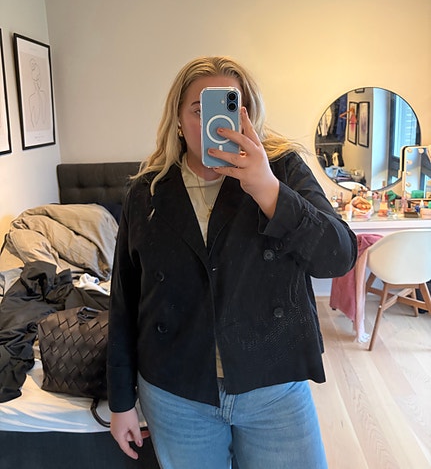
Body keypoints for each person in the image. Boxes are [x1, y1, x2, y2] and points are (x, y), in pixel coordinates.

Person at [107, 56, 357, 469]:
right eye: (199, 109)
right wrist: (120, 401)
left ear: (247, 114)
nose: (215, 123)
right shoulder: (147, 192)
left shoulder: (282, 171)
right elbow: (124, 299)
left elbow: (339, 256)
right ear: (178, 119)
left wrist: (268, 190)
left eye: (228, 107)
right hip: (177, 393)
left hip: (273, 385)